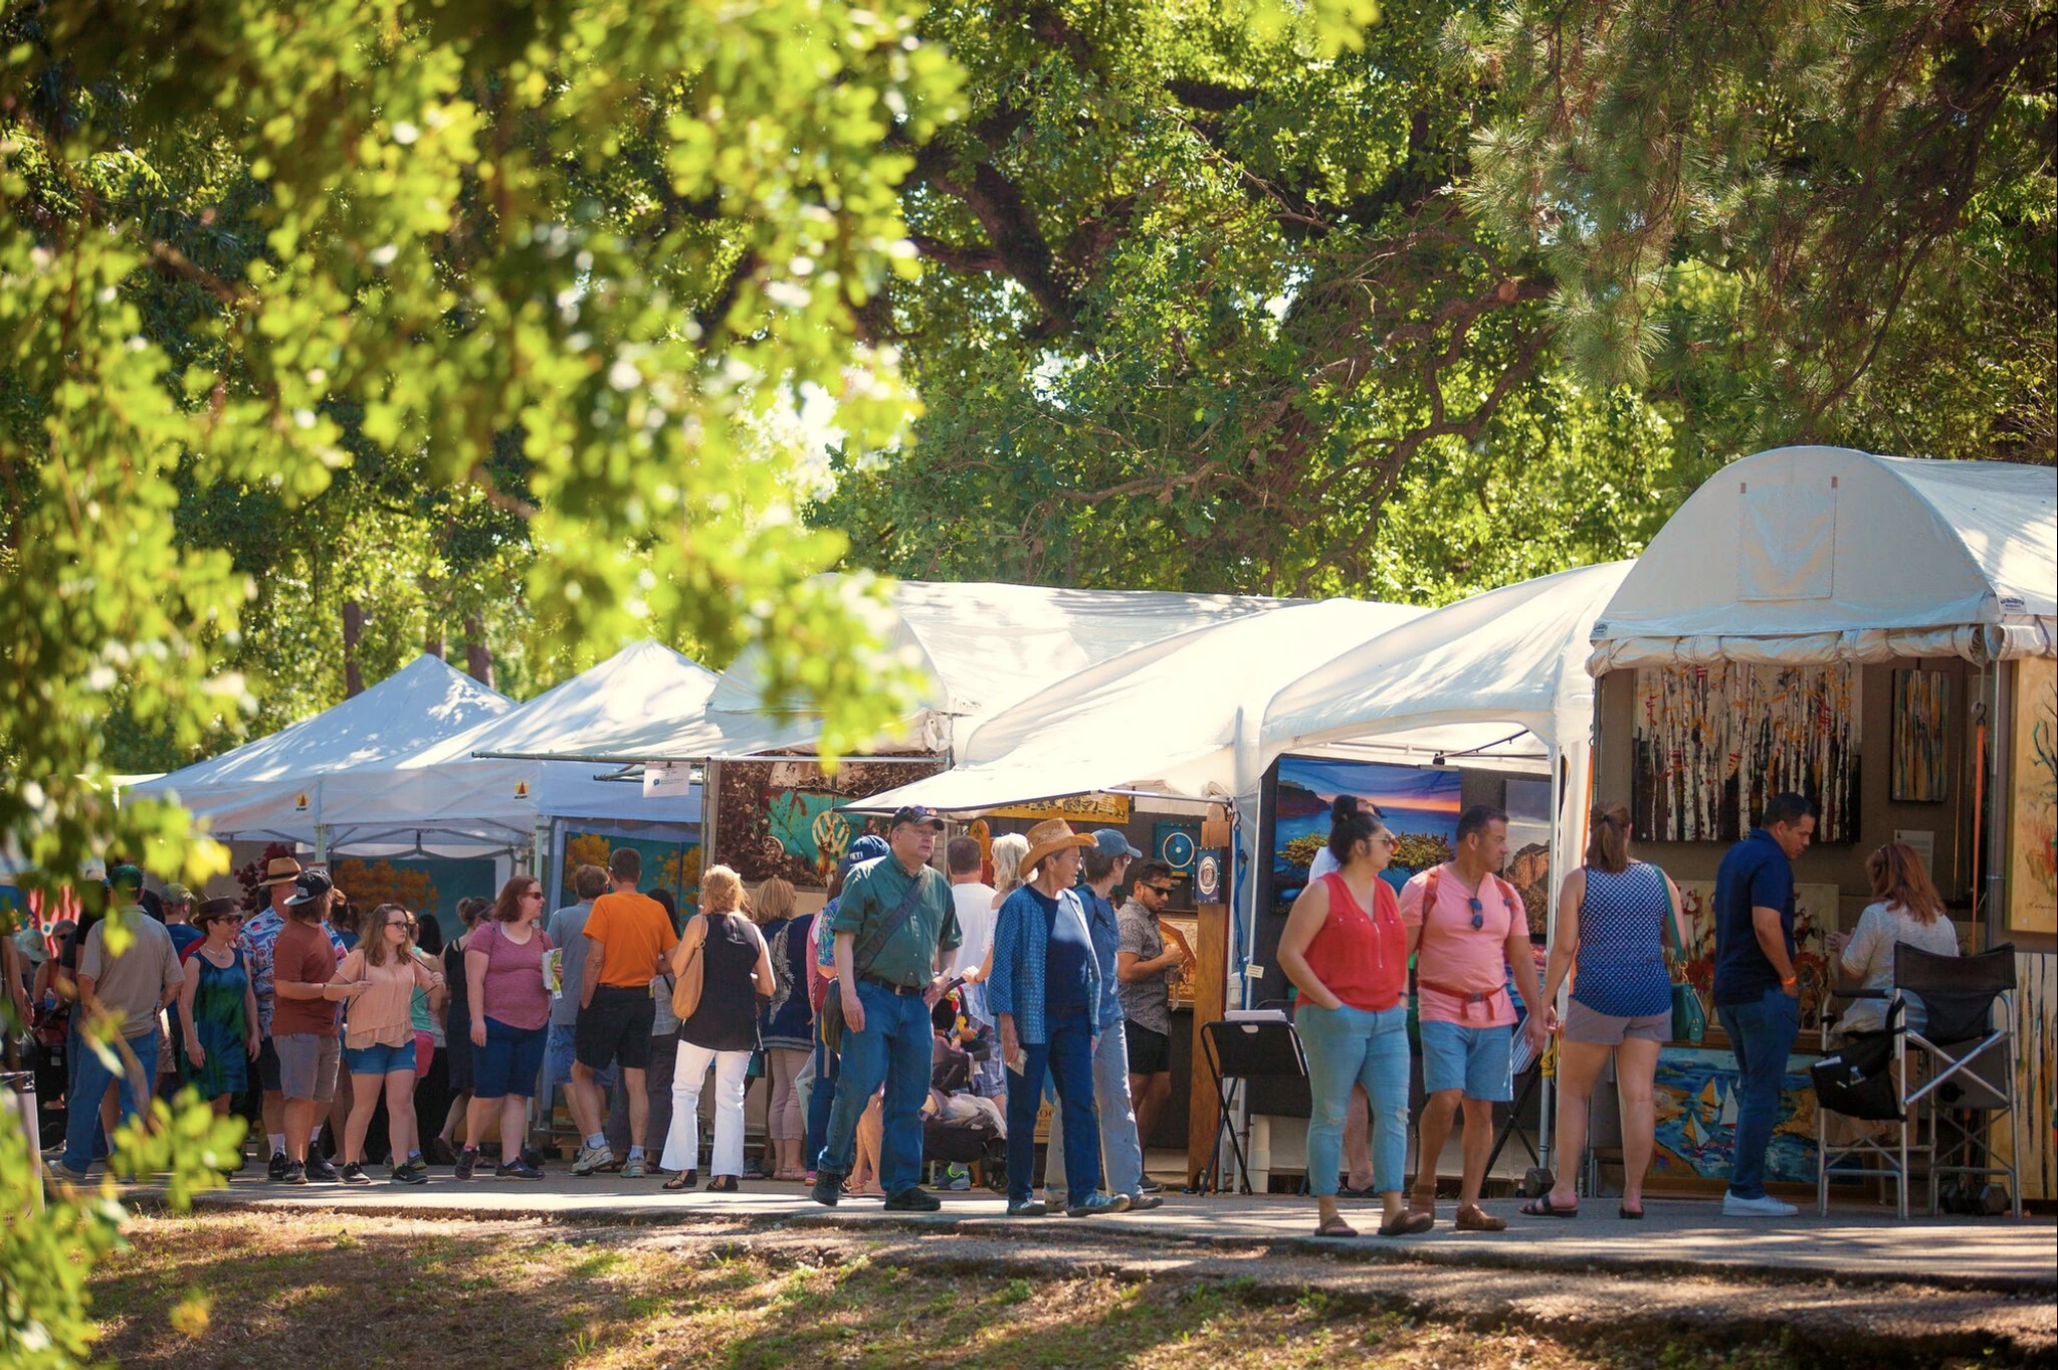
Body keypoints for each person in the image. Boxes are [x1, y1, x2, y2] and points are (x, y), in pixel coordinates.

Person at [1527, 801, 1686, 1220]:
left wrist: (1543, 1004)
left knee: (1575, 1093)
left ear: (1592, 834)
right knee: (1639, 1097)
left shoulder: (1579, 880)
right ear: (1629, 830)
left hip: (1597, 994)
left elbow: (1563, 949)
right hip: (1649, 995)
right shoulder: (1657, 878)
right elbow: (1678, 940)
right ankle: (1633, 1196)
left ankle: (1564, 1189)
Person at [1278, 798, 1422, 1238]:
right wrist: (1331, 1003)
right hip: (1333, 1018)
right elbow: (1288, 953)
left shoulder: (1386, 891)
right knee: (1331, 1113)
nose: (1394, 846)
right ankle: (1328, 1211)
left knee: (1395, 1112)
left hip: (1387, 1019)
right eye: (1386, 840)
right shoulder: (1323, 890)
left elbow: (1398, 948)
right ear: (1360, 846)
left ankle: (1393, 1209)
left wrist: (1400, 996)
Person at [1401, 804, 1547, 1232]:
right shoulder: (1423, 887)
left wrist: (1537, 1014)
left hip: (1495, 1012)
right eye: (1500, 840)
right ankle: (1424, 1187)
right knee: (1446, 1097)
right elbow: (1398, 953)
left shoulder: (1507, 895)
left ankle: (1469, 1204)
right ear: (1473, 841)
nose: (1506, 848)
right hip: (1440, 1007)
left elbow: (1521, 959)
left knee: (1481, 1110)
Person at [811, 807, 961, 1213]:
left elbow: (951, 940)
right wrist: (849, 995)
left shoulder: (938, 886)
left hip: (915, 1002)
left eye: (933, 832)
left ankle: (901, 1185)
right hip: (871, 995)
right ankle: (831, 1169)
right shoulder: (865, 877)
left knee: (908, 1098)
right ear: (895, 836)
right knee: (857, 1086)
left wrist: (944, 976)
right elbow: (843, 937)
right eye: (920, 831)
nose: (929, 838)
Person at [990, 819, 1128, 1219]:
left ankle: (1083, 1194)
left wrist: (1091, 1023)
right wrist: (1006, 1023)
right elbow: (1001, 970)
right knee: (1024, 1107)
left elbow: (1090, 967)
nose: (1080, 865)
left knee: (1080, 1104)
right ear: (1050, 861)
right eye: (1073, 857)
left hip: (1074, 1022)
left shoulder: (1073, 904)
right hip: (1031, 1021)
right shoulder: (1019, 905)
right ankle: (1019, 1195)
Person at [1711, 792, 1817, 1218]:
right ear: (1781, 828)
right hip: (1762, 990)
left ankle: (1744, 1186)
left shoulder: (1735, 855)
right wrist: (1789, 977)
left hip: (1731, 989)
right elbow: (1766, 923)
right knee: (1762, 1092)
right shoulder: (1773, 862)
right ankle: (1746, 1190)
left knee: (1750, 1085)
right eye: (1803, 834)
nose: (1806, 843)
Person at [1044, 829, 1158, 1210]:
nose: (1129, 865)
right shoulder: (1078, 904)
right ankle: (1062, 1189)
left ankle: (1125, 1186)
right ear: (1116, 862)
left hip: (1107, 1016)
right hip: (1081, 1019)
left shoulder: (1101, 904)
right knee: (1075, 1101)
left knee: (1113, 1098)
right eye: (1126, 859)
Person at [50, 871, 185, 1182]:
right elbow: (176, 982)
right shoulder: (158, 931)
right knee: (135, 1103)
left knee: (86, 1097)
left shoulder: (102, 929)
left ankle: (75, 1163)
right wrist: (156, 1007)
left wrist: (88, 1010)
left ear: (112, 892)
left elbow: (86, 979)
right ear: (140, 894)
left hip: (102, 1029)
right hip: (142, 1029)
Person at [661, 867, 774, 1190]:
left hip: (702, 1018)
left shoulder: (700, 924)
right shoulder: (754, 931)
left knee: (685, 1091)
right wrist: (742, 978)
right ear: (737, 892)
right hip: (740, 1022)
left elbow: (678, 967)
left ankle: (685, 1169)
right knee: (731, 1097)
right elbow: (767, 985)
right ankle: (726, 1175)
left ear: (707, 892)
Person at [570, 849, 677, 1178]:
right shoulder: (656, 908)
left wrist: (586, 998)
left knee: (580, 1071)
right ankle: (636, 1155)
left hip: (607, 994)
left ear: (610, 874)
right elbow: (674, 960)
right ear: (640, 875)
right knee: (636, 1080)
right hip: (642, 1000)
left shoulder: (605, 904)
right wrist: (650, 967)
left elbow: (595, 958)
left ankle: (597, 1143)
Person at [326, 903, 445, 1184]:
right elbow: (329, 991)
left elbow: (433, 996)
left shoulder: (410, 960)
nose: (404, 930)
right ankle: (351, 1163)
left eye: (406, 925)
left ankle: (401, 1165)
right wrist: (351, 989)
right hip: (367, 1039)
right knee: (364, 1105)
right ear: (381, 927)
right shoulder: (360, 958)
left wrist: (437, 982)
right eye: (397, 924)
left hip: (402, 1038)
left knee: (401, 1104)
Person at [243, 855, 345, 1179]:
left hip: (320, 1021)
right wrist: (252, 1029)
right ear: (276, 890)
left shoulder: (322, 928)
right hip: (275, 1020)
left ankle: (306, 1149)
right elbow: (248, 981)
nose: (295, 887)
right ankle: (282, 1154)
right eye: (291, 883)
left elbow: (342, 963)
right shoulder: (254, 929)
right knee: (279, 1091)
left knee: (316, 1094)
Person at [456, 876, 555, 1180]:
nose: (541, 900)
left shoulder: (543, 939)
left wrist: (553, 975)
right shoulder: (488, 934)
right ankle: (471, 1146)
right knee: (488, 1093)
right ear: (517, 898)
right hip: (495, 1023)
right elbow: (474, 980)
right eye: (535, 895)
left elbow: (553, 986)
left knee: (518, 1094)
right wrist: (477, 1020)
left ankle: (511, 1159)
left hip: (534, 1025)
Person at [803, 834, 889, 1181]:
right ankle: (871, 1175)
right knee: (876, 1094)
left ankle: (867, 1175)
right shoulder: (898, 902)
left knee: (862, 1091)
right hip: (895, 1001)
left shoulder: (835, 908)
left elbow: (825, 966)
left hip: (850, 1003)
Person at [1829, 841, 1958, 1038]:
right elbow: (1950, 973)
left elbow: (1851, 971)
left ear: (1880, 878)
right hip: (1931, 1021)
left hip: (1883, 1018)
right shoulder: (1943, 923)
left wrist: (1846, 942)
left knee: (1842, 1030)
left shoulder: (1876, 915)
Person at [1116, 859, 1189, 1151]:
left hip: (1155, 1020)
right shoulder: (1131, 920)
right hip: (1135, 1018)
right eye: (1158, 891)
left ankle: (1133, 1162)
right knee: (1133, 1094)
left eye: (1167, 891)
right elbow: (1126, 972)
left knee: (1160, 1091)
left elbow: (1145, 966)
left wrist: (1170, 970)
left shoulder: (1148, 919)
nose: (1165, 898)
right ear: (1138, 887)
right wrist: (1163, 961)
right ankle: (1115, 1165)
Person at [177, 898, 260, 1129]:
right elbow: (184, 1004)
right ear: (211, 925)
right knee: (205, 1102)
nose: (236, 924)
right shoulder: (195, 961)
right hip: (204, 1038)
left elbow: (249, 996)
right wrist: (192, 1043)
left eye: (239, 918)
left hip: (232, 1038)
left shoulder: (241, 957)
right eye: (229, 919)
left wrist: (253, 1033)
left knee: (226, 1102)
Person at [754, 877, 813, 1181]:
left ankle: (779, 1163)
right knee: (796, 1090)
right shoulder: (798, 928)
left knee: (780, 1091)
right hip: (796, 1016)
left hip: (770, 1019)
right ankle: (792, 1162)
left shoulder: (759, 933)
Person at [945, 837, 1003, 1104]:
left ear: (948, 867)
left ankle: (957, 1144)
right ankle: (1004, 1143)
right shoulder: (996, 900)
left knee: (949, 1080)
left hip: (950, 1003)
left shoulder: (942, 899)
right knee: (994, 1085)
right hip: (989, 1003)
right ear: (981, 865)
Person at [437, 897, 483, 1158]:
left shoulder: (450, 948)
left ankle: (445, 1135)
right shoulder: (483, 948)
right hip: (478, 1016)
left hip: (456, 1017)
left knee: (468, 1086)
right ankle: (472, 1146)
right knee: (481, 1086)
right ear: (479, 921)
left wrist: (446, 1024)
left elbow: (443, 991)